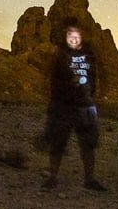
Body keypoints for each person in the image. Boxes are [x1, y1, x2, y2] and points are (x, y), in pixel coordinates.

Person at [42, 21, 107, 191]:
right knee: (58, 142)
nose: (73, 39)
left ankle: (90, 179)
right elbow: (50, 76)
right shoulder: (59, 54)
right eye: (70, 35)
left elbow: (96, 76)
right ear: (65, 37)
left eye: (76, 35)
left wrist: (96, 96)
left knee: (88, 144)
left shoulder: (89, 53)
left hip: (85, 105)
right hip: (62, 105)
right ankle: (53, 177)